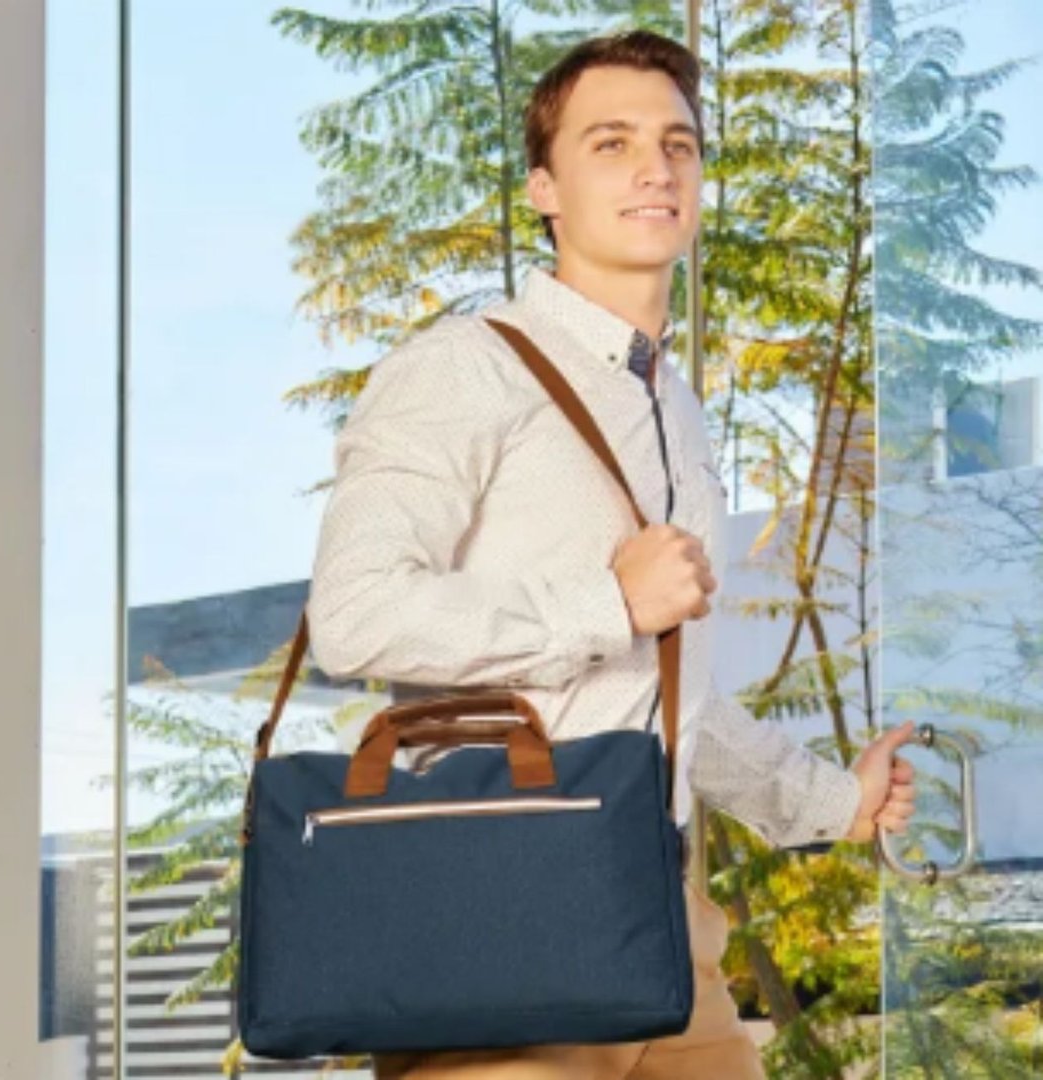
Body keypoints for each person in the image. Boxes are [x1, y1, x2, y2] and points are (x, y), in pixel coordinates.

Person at [306, 28, 916, 1080]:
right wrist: (603, 600)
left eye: (679, 144)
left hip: (665, 918)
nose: (655, 167)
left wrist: (833, 803)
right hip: (496, 900)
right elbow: (353, 614)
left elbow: (664, 697)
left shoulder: (673, 407)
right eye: (611, 142)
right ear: (543, 185)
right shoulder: (463, 369)